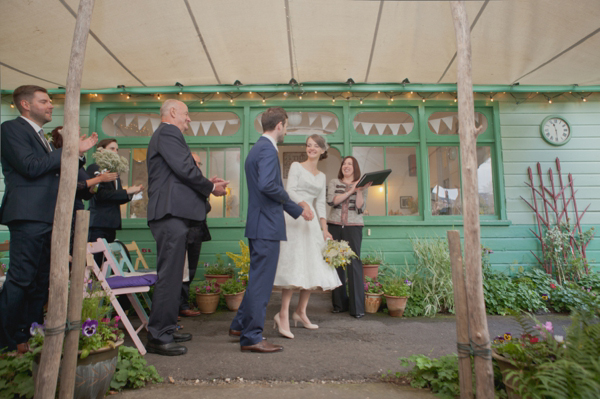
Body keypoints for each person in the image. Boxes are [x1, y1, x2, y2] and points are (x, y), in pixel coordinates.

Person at [0, 85, 97, 353]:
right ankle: (5, 340)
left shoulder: (42, 137)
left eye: (50, 101)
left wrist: (76, 154)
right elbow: (31, 167)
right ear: (25, 105)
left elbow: (57, 172)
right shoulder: (11, 130)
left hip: (50, 216)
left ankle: (28, 333)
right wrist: (68, 151)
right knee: (21, 278)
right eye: (44, 101)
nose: (50, 105)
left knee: (41, 279)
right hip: (29, 214)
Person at [146, 99, 228, 356]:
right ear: (172, 112)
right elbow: (184, 168)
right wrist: (211, 187)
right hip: (170, 214)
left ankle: (167, 328)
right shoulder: (169, 132)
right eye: (186, 114)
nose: (189, 119)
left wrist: (205, 182)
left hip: (174, 213)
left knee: (172, 277)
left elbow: (181, 171)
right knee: (169, 277)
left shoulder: (166, 135)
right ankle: (158, 336)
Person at [229, 107, 311, 353]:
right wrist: (295, 205)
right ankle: (252, 337)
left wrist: (294, 209)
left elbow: (266, 186)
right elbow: (268, 185)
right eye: (286, 126)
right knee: (261, 285)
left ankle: (239, 325)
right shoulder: (266, 149)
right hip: (266, 225)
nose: (286, 131)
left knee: (257, 280)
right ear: (280, 125)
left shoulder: (257, 148)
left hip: (260, 223)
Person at [272, 134, 341, 339]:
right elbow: (289, 190)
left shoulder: (321, 176)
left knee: (311, 265)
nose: (311, 148)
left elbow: (320, 203)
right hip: (295, 217)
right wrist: (303, 205)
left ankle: (300, 312)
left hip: (312, 223)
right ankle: (282, 314)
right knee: (294, 264)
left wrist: (324, 228)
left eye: (315, 146)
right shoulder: (295, 166)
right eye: (308, 145)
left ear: (322, 150)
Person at [50, 127, 118, 255]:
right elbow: (70, 186)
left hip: (78, 210)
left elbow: (85, 194)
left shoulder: (78, 165)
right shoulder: (58, 160)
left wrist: (95, 185)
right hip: (65, 211)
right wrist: (97, 180)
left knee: (75, 249)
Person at [327, 156, 370, 319]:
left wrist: (358, 190)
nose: (346, 166)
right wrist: (351, 190)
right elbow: (332, 200)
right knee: (336, 263)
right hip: (335, 226)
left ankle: (357, 307)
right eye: (344, 163)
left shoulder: (362, 185)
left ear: (355, 167)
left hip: (354, 227)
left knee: (354, 264)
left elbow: (360, 207)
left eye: (350, 164)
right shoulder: (334, 182)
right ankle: (339, 305)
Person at [87, 139, 143, 253]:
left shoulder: (115, 172)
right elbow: (101, 195)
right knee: (97, 261)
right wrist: (127, 191)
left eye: (117, 149)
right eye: (112, 148)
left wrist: (131, 193)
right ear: (101, 151)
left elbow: (116, 197)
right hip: (99, 223)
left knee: (107, 261)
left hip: (112, 223)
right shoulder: (94, 168)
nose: (115, 152)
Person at [179, 152, 212, 318]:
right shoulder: (185, 183)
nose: (199, 167)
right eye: (196, 163)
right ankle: (180, 306)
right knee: (183, 271)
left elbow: (205, 206)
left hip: (197, 232)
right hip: (185, 233)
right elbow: (202, 207)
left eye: (200, 164)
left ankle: (182, 304)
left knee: (190, 270)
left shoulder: (198, 184)